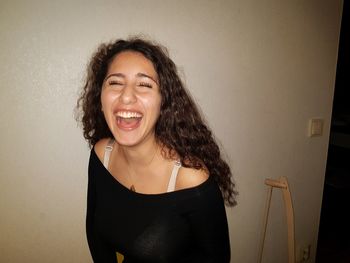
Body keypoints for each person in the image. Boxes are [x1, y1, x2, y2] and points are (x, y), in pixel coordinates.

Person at [77, 37, 237, 263]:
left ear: (164, 102)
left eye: (144, 84)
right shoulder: (102, 155)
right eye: (115, 83)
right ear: (100, 97)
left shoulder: (191, 180)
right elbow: (94, 233)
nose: (127, 96)